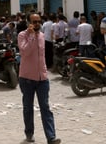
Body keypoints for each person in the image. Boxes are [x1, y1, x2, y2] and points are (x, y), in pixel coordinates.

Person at [18, 13, 61, 144]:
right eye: (34, 22)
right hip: (27, 79)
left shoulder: (42, 36)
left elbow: (43, 56)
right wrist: (31, 36)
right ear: (28, 23)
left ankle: (51, 137)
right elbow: (25, 52)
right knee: (28, 108)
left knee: (45, 107)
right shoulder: (22, 35)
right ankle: (29, 133)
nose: (37, 24)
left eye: (38, 21)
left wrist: (45, 72)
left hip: (42, 79)